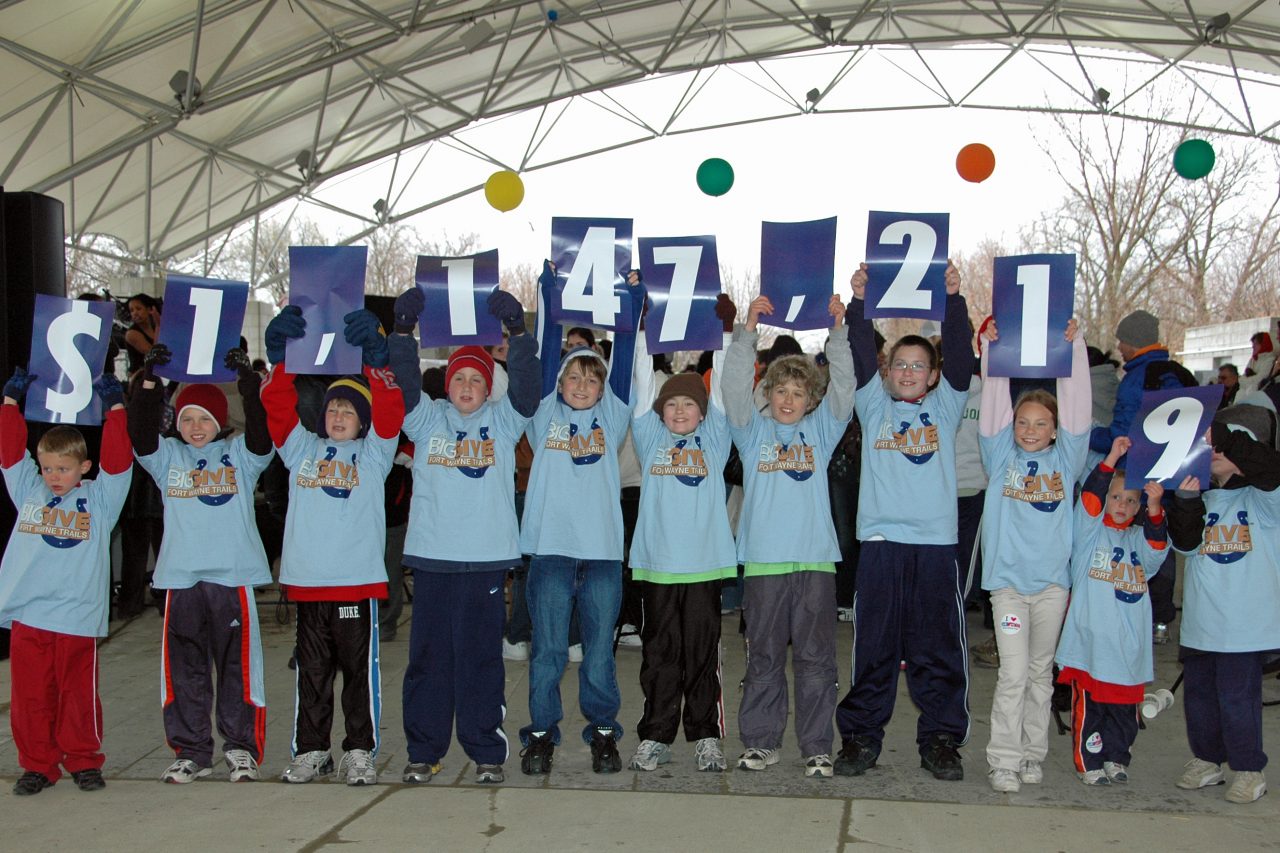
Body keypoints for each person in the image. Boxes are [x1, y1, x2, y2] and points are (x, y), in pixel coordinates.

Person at [387, 286, 539, 785]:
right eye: (460, 378)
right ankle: (424, 750)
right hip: (433, 561)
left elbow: (527, 391)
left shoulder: (502, 421)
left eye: (478, 378)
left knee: (479, 662)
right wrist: (403, 334)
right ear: (448, 384)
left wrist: (518, 336)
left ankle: (486, 751)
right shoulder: (427, 418)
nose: (468, 386)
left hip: (486, 562)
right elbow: (405, 385)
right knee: (428, 661)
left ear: (488, 385)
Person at [834, 261, 973, 782]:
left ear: (933, 375)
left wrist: (954, 299)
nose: (909, 372)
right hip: (882, 544)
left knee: (936, 649)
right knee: (875, 648)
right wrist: (859, 303)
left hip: (936, 546)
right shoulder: (873, 405)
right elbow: (858, 352)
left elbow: (961, 359)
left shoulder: (947, 405)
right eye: (901, 365)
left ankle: (940, 739)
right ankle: (861, 737)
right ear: (887, 371)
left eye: (919, 365)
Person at [259, 306, 404, 786]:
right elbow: (278, 409)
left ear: (361, 423)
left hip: (355, 583)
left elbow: (390, 414)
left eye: (349, 411)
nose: (339, 414)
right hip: (308, 582)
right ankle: (311, 749)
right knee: (312, 674)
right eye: (333, 408)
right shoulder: (301, 449)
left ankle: (359, 750)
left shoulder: (375, 453)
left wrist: (377, 363)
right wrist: (279, 361)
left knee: (357, 676)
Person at [517, 263, 642, 776]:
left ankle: (604, 733)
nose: (581, 384)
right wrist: (549, 293)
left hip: (602, 555)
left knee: (597, 653)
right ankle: (542, 733)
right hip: (550, 551)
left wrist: (630, 304)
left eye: (591, 377)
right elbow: (548, 354)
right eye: (573, 376)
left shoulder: (613, 417)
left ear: (601, 385)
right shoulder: (544, 415)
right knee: (547, 651)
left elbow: (629, 356)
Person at [128, 344, 274, 784]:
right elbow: (139, 434)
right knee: (185, 671)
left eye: (205, 419)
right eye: (188, 418)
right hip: (182, 580)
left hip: (232, 579)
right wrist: (149, 382)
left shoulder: (241, 458)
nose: (196, 427)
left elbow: (263, 438)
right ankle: (192, 750)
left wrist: (250, 389)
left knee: (238, 671)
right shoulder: (167, 457)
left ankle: (241, 748)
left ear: (220, 421)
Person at [723, 292, 853, 778]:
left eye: (799, 394)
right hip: (763, 565)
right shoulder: (751, 433)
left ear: (810, 400)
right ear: (770, 394)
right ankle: (761, 741)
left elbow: (845, 391)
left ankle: (818, 745)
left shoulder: (821, 433)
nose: (788, 400)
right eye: (781, 391)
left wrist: (837, 335)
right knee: (764, 659)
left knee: (818, 662)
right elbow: (734, 391)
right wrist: (746, 332)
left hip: (815, 564)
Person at [0, 369, 132, 795]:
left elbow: (119, 461)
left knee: (77, 695)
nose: (54, 475)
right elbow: (8, 454)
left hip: (76, 616)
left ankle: (82, 759)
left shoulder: (99, 498)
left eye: (64, 467)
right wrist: (9, 404)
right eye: (48, 467)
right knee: (31, 697)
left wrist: (115, 410)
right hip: (30, 612)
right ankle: (38, 764)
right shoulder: (28, 490)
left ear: (83, 467)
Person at [977, 318, 1090, 793]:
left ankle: (1030, 755)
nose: (1029, 429)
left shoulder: (1066, 459)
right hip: (1007, 589)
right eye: (1023, 422)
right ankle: (1003, 759)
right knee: (1014, 674)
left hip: (1051, 588)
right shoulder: (999, 457)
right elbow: (992, 408)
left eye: (1041, 423)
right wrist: (993, 354)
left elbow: (1080, 408)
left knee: (1042, 675)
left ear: (1054, 429)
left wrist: (1074, 350)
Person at [626, 295, 738, 774]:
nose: (678, 411)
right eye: (670, 404)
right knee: (659, 654)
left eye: (689, 404)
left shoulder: (713, 438)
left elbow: (729, 394)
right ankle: (656, 734)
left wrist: (728, 335)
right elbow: (638, 382)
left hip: (705, 564)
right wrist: (641, 331)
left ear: (702, 411)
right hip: (658, 564)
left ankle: (705, 735)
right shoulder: (651, 438)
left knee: (700, 654)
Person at [1167, 403, 1279, 804]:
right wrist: (1183, 498)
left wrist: (1223, 435)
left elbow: (1269, 470)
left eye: (1225, 446)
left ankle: (1249, 767)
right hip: (1201, 625)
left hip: (1245, 629)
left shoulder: (1268, 501)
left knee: (1238, 699)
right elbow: (1186, 542)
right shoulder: (1208, 497)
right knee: (1199, 699)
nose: (1213, 452)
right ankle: (1207, 759)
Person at [1055, 435, 1168, 785]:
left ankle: (1117, 758)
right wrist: (1111, 461)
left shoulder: (1138, 541)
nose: (1121, 504)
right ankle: (1089, 762)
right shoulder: (1088, 536)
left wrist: (1154, 507)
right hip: (1092, 646)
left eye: (1130, 500)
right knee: (1092, 710)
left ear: (1137, 508)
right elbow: (1088, 503)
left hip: (1128, 651)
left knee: (1123, 712)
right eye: (1115, 497)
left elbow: (1157, 547)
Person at [1089, 309, 1189, 645]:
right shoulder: (1179, 373)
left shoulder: (1136, 378)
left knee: (1134, 546)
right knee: (1161, 543)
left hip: (1140, 477)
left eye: (1122, 340)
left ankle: (1128, 610)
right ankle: (1161, 620)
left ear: (1133, 341)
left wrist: (1084, 436)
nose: (1119, 347)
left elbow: (1123, 434)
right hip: (1174, 478)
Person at [123, 293, 162, 375]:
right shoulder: (131, 334)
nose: (135, 313)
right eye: (132, 310)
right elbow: (154, 356)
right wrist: (159, 325)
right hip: (140, 377)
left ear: (149, 310)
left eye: (138, 309)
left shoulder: (154, 327)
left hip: (154, 375)